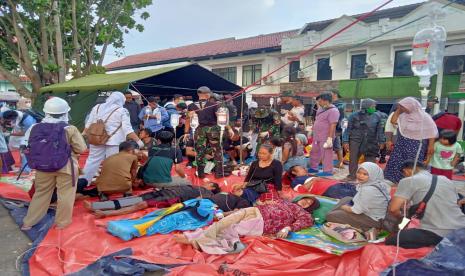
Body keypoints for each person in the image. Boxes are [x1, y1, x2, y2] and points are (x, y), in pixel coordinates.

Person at [21, 97, 87, 230]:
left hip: (42, 167)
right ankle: (62, 224)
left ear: (46, 112)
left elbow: (25, 146)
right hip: (66, 166)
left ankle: (28, 223)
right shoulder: (70, 128)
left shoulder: (35, 127)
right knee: (66, 195)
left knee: (41, 194)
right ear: (65, 112)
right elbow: (81, 149)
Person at [174, 197, 317, 254]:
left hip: (264, 222)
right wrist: (263, 204)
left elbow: (303, 222)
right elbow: (267, 201)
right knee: (225, 221)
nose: (306, 202)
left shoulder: (304, 214)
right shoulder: (286, 202)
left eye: (310, 203)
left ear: (310, 208)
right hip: (256, 210)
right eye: (306, 199)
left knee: (231, 229)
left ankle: (199, 242)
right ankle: (198, 238)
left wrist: (288, 227)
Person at [386, 160, 465, 248]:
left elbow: (393, 209)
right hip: (461, 229)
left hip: (437, 232)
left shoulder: (409, 180)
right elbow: (457, 203)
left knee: (392, 240)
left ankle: (434, 245)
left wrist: (401, 218)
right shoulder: (445, 179)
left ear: (406, 171)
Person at [84, 182, 250, 218]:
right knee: (138, 197)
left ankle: (106, 213)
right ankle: (100, 205)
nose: (207, 182)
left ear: (214, 187)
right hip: (168, 190)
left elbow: (200, 202)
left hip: (173, 198)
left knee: (141, 204)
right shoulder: (195, 185)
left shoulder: (208, 194)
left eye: (210, 183)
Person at [82, 92, 144, 184]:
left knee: (92, 161)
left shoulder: (97, 107)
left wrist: (82, 136)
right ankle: (110, 183)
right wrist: (139, 142)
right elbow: (128, 130)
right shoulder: (122, 111)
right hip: (114, 141)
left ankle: (83, 182)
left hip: (97, 138)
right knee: (112, 163)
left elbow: (88, 125)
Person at [384, 97, 438, 184]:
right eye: (400, 106)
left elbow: (432, 133)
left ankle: (412, 182)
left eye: (403, 107)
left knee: (412, 164)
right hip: (402, 144)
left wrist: (430, 148)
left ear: (411, 106)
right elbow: (393, 121)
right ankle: (395, 180)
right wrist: (398, 110)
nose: (401, 108)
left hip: (416, 145)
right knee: (397, 162)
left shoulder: (425, 117)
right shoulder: (403, 115)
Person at [326, 162, 390, 232]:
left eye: (365, 174)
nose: (360, 176)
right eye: (359, 172)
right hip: (378, 216)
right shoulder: (380, 184)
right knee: (347, 199)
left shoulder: (368, 189)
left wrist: (343, 207)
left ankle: (368, 228)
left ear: (373, 175)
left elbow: (356, 211)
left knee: (332, 215)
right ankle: (334, 213)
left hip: (373, 220)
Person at [342, 99, 386, 181]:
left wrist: (382, 141)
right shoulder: (354, 116)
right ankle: (352, 176)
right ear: (366, 106)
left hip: (371, 141)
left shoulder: (377, 116)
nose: (374, 108)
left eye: (374, 106)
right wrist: (345, 141)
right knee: (353, 159)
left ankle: (370, 178)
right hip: (355, 140)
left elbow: (380, 130)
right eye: (372, 106)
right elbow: (348, 129)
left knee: (370, 161)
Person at [186, 86, 223, 178]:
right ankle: (219, 174)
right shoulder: (213, 104)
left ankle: (200, 173)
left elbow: (187, 119)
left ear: (198, 94)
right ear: (207, 94)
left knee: (200, 151)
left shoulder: (191, 106)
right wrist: (228, 128)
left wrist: (186, 132)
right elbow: (220, 117)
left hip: (199, 130)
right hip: (213, 129)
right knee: (217, 150)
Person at [308, 93, 340, 176]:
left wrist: (329, 138)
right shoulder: (321, 109)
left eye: (320, 101)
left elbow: (333, 124)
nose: (319, 103)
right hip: (317, 135)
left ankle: (328, 170)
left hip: (326, 136)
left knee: (326, 153)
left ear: (326, 101)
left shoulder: (334, 111)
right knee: (314, 151)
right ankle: (314, 167)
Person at [2, 110, 37, 175]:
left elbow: (24, 133)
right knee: (20, 150)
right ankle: (22, 168)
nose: (8, 122)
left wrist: (10, 134)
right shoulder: (9, 113)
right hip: (22, 131)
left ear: (14, 118)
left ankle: (26, 170)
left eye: (9, 120)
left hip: (30, 133)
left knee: (24, 150)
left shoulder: (28, 121)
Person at [331, 90, 345, 168]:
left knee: (334, 146)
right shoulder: (337, 104)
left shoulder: (339, 104)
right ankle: (340, 163)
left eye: (331, 94)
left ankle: (340, 163)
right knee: (337, 146)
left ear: (335, 94)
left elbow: (340, 118)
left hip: (335, 127)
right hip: (335, 127)